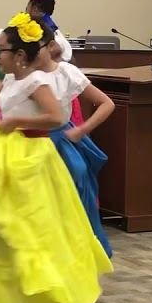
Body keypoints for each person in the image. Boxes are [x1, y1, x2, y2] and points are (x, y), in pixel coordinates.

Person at [0, 14, 111, 303]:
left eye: (2, 50)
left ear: (19, 55)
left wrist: (17, 123)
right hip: (16, 157)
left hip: (32, 159)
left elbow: (56, 117)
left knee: (30, 232)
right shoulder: (13, 80)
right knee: (15, 232)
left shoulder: (36, 82)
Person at [34, 24, 116, 259]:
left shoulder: (66, 72)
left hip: (60, 140)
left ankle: (77, 253)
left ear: (50, 46)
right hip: (31, 143)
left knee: (74, 187)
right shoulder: (21, 74)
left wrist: (82, 130)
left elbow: (106, 103)